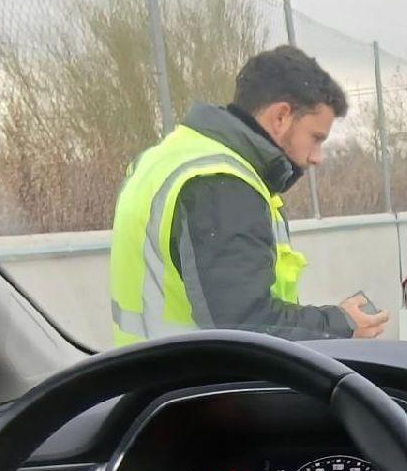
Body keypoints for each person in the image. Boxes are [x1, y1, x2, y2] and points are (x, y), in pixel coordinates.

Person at [109, 45, 391, 344]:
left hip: (155, 367)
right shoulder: (221, 183)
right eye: (315, 138)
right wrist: (340, 324)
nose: (317, 157)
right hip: (200, 372)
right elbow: (245, 326)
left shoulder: (167, 157)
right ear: (281, 116)